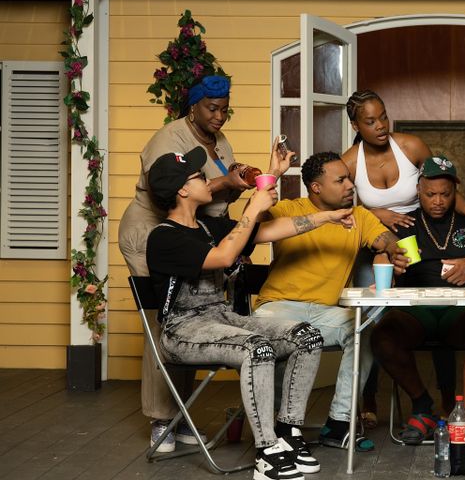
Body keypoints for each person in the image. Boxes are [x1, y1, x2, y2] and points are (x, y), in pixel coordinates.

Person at [145, 146, 355, 480]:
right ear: (182, 191)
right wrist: (255, 206)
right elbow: (224, 257)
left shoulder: (208, 227)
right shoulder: (163, 238)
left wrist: (328, 217)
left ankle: (288, 432)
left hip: (221, 318)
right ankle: (266, 451)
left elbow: (273, 230)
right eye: (198, 176)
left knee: (306, 336)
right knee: (257, 348)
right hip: (183, 331)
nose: (207, 180)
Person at [118, 74, 292, 452]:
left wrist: (244, 182)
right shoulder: (170, 139)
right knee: (164, 317)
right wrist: (225, 184)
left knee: (198, 313)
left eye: (224, 110)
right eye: (212, 109)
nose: (219, 116)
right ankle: (161, 417)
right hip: (154, 232)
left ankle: (179, 413)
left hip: (197, 231)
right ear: (193, 106)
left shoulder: (219, 140)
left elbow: (214, 198)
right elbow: (168, 193)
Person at [341, 89, 465, 423]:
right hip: (384, 237)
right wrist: (378, 218)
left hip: (416, 235)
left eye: (384, 117)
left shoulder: (411, 148)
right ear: (356, 125)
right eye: (370, 121)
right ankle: (371, 401)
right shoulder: (350, 161)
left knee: (458, 309)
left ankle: (456, 410)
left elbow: (438, 178)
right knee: (372, 322)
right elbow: (341, 207)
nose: (381, 125)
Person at [253, 151, 408, 452]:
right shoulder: (288, 209)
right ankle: (283, 425)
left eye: (349, 178)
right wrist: (273, 174)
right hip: (277, 307)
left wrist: (392, 251)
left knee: (364, 332)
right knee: (290, 342)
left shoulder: (359, 216)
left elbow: (386, 239)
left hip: (326, 313)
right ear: (316, 187)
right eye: (340, 180)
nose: (350, 185)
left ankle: (338, 424)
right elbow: (251, 224)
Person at [369, 155, 465, 445]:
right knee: (382, 335)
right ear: (418, 190)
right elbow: (384, 252)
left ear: (456, 191)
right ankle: (422, 406)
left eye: (445, 194)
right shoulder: (406, 223)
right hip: (417, 312)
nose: (438, 201)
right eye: (430, 194)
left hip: (462, 312)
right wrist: (391, 263)